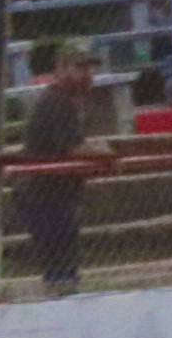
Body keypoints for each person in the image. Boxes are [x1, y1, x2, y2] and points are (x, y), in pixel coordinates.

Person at [16, 40, 106, 298]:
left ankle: (64, 291)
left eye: (89, 68)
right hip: (42, 194)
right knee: (59, 265)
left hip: (55, 192)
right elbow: (73, 149)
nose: (87, 75)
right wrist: (104, 154)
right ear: (61, 67)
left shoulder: (69, 100)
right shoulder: (57, 100)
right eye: (80, 67)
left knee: (66, 259)